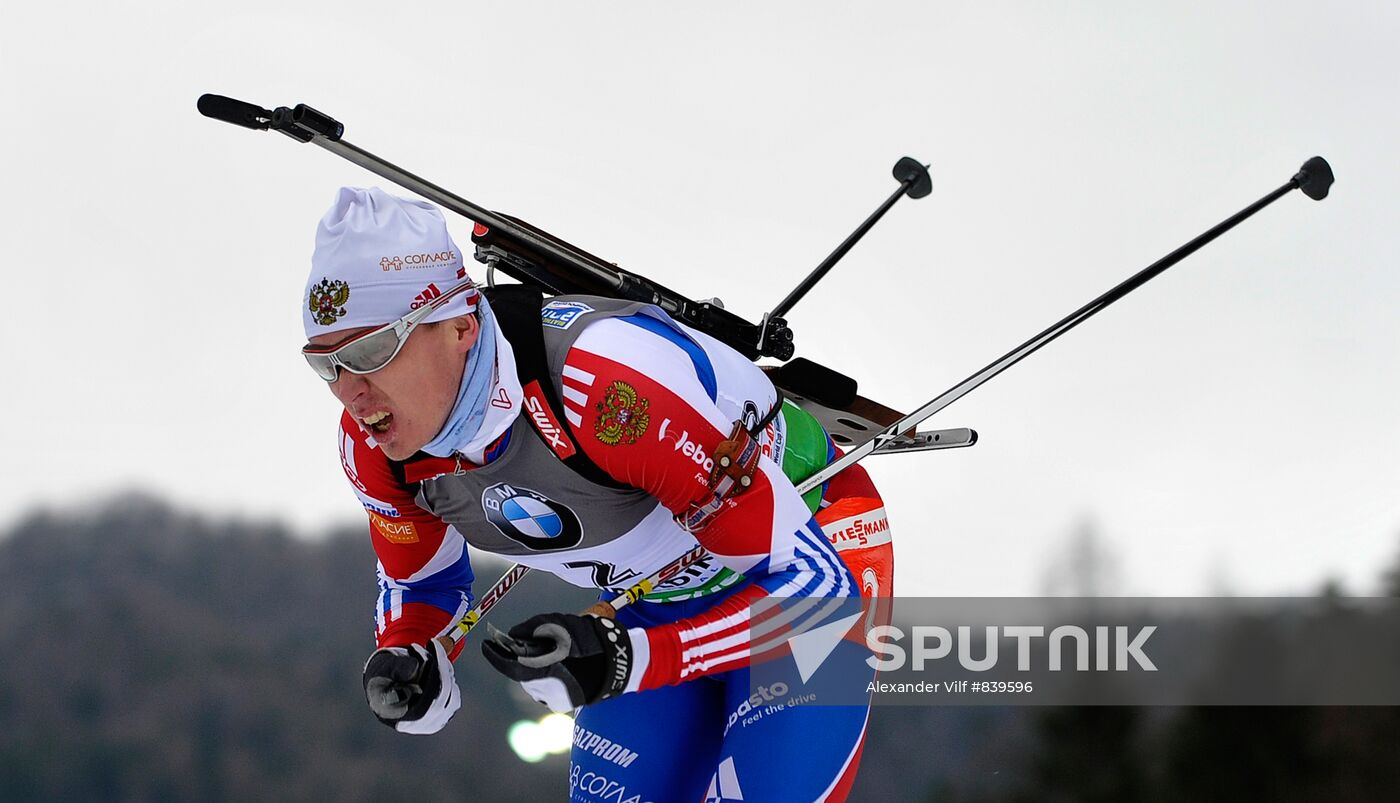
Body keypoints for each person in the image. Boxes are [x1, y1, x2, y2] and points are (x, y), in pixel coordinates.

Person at [302, 186, 894, 802]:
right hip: (654, 601)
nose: (350, 390)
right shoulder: (377, 450)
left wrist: (631, 659)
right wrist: (410, 653)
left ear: (458, 326)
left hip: (811, 562)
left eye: (371, 351)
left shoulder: (605, 390)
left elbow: (818, 595)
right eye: (325, 364)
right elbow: (420, 586)